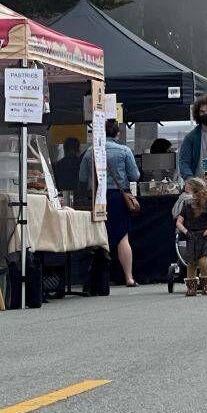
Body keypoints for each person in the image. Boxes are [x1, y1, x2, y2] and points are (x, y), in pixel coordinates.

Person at [79, 119, 141, 287]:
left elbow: (82, 177)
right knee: (122, 237)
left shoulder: (90, 151)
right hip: (118, 198)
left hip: (97, 196)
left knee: (98, 236)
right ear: (118, 133)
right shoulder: (124, 150)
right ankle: (128, 277)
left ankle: (98, 278)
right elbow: (135, 176)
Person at [175, 177, 207, 296]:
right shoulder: (187, 206)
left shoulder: (206, 207)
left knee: (203, 260)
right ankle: (192, 287)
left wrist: (206, 232)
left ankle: (206, 284)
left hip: (203, 236)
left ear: (195, 191)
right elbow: (179, 222)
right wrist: (185, 231)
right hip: (191, 236)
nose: (185, 190)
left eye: (188, 189)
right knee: (191, 262)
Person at [53, 137, 85, 209]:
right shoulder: (80, 163)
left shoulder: (58, 164)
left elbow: (55, 183)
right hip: (78, 199)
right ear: (77, 149)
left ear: (65, 149)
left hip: (61, 198)